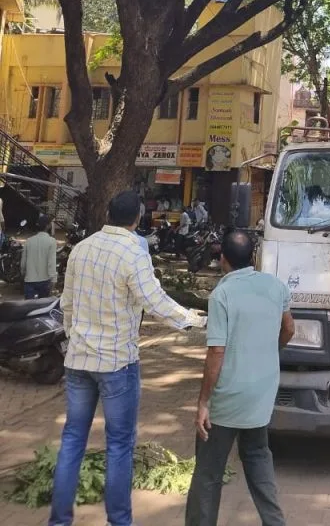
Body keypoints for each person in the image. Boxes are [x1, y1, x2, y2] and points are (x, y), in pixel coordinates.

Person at [49, 190, 205, 526]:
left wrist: (73, 340)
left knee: (72, 439)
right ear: (138, 219)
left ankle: (58, 521)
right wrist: (192, 320)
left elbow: (68, 304)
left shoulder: (81, 249)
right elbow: (154, 300)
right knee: (119, 445)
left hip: (78, 362)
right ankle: (118, 521)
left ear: (108, 213)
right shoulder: (134, 252)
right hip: (117, 364)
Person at [185, 230, 294, 526]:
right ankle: (275, 522)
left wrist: (204, 402)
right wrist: (269, 350)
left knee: (208, 472)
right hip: (261, 394)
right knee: (258, 456)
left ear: (223, 260)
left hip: (228, 399)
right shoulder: (276, 286)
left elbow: (217, 352)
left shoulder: (222, 294)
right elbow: (289, 328)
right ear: (253, 258)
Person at [21, 213, 57, 299]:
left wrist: (23, 274)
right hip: (44, 281)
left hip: (29, 280)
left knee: (28, 308)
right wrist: (53, 280)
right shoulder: (51, 241)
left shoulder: (29, 241)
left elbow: (23, 262)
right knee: (42, 308)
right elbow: (51, 263)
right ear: (48, 226)